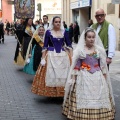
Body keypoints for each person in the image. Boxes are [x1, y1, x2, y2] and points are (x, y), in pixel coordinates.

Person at [62, 27, 115, 120]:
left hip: (97, 76)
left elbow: (102, 65)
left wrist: (105, 78)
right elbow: (77, 65)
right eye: (89, 37)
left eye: (93, 37)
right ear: (85, 38)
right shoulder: (80, 50)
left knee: (100, 94)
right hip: (83, 75)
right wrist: (73, 78)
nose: (91, 39)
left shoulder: (99, 50)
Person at [31, 16, 73, 97]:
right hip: (51, 55)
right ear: (53, 23)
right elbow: (45, 46)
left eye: (59, 22)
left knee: (63, 74)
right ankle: (52, 93)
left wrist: (72, 57)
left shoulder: (64, 32)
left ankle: (62, 92)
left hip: (63, 56)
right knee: (52, 74)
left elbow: (69, 45)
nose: (57, 23)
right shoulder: (49, 32)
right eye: (56, 22)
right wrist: (43, 58)